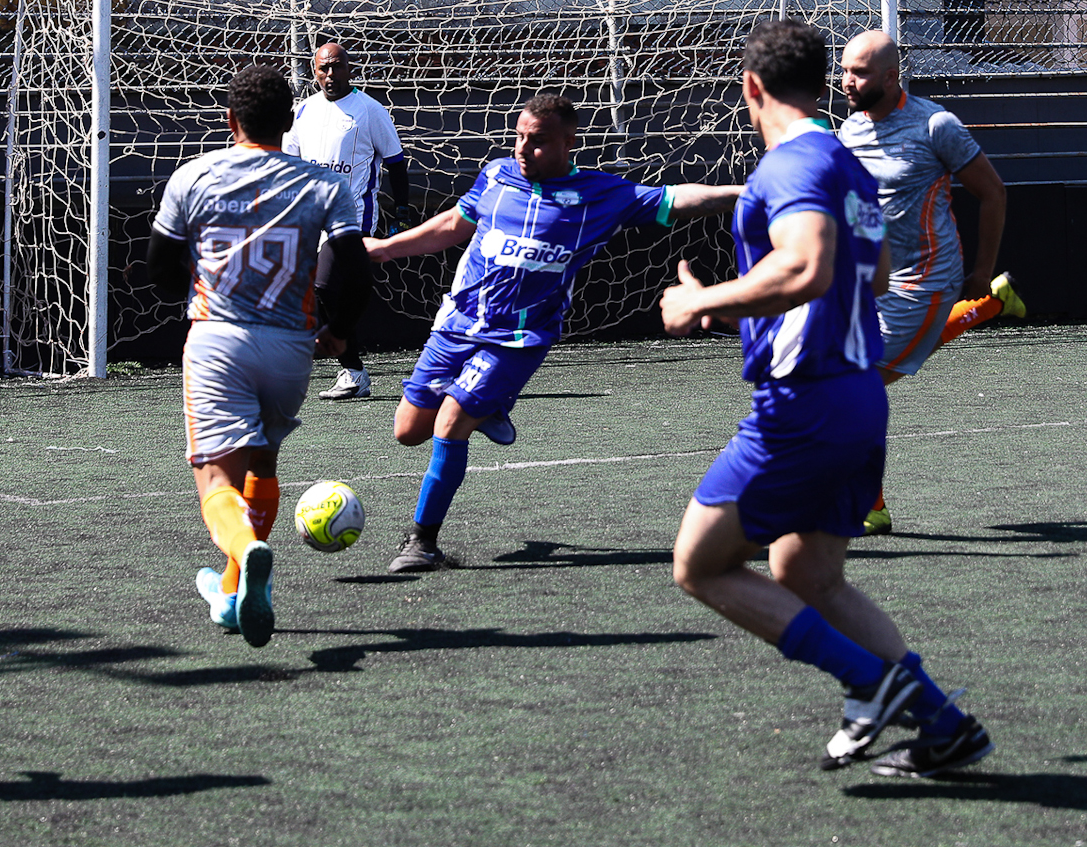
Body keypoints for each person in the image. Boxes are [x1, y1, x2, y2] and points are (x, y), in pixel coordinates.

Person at [660, 20, 993, 780]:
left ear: (751, 88)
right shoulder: (848, 162)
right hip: (856, 397)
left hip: (802, 405)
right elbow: (869, 276)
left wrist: (704, 300)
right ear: (821, 82)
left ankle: (873, 683)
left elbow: (808, 268)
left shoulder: (793, 163)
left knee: (699, 566)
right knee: (810, 578)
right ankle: (945, 728)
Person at [363, 92, 743, 575]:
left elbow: (677, 197)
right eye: (519, 137)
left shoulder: (599, 195)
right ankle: (491, 407)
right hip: (456, 325)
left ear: (570, 143)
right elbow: (453, 224)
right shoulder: (497, 174)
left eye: (537, 142)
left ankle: (422, 542)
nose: (523, 149)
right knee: (408, 431)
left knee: (449, 423)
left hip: (518, 340)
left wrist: (743, 194)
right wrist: (387, 249)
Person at [147, 64, 373, 648]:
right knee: (263, 464)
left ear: (230, 119)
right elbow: (352, 263)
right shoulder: (324, 185)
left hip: (219, 340)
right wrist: (339, 331)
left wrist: (193, 283)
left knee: (215, 476)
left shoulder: (193, 176)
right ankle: (238, 593)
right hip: (290, 349)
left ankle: (246, 550)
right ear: (289, 120)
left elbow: (160, 268)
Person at [838, 29, 1024, 534]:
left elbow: (993, 194)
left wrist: (981, 272)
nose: (847, 81)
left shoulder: (935, 125)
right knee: (843, 381)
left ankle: (869, 504)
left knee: (854, 387)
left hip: (927, 282)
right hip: (869, 284)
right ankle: (991, 307)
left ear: (892, 75)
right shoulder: (848, 132)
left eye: (859, 72)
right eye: (844, 69)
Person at [284, 41, 410, 402]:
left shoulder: (369, 110)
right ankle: (352, 371)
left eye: (337, 66)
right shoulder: (303, 112)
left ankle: (351, 370)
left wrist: (400, 212)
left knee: (324, 286)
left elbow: (396, 162)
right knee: (315, 291)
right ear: (314, 71)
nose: (330, 74)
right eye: (323, 68)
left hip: (352, 217)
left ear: (349, 68)